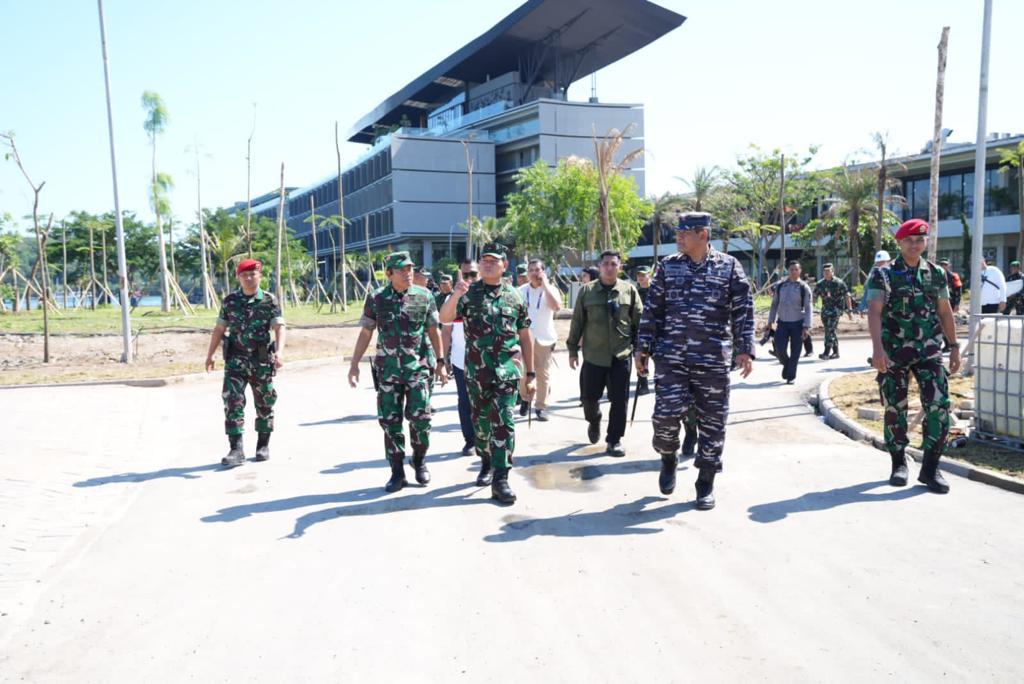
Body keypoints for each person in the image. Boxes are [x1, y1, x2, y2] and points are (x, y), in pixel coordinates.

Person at [636, 212, 754, 510]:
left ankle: (705, 482)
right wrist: (643, 348)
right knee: (664, 417)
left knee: (712, 423)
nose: (678, 237)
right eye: (678, 232)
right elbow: (653, 309)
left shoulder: (729, 267)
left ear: (703, 234)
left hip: (713, 359)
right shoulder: (668, 267)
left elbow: (743, 310)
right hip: (671, 357)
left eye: (684, 232)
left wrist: (745, 349)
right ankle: (668, 457)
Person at [867, 218, 960, 493]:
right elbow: (874, 311)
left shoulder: (936, 273)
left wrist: (954, 347)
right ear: (899, 242)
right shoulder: (883, 275)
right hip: (894, 351)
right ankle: (898, 463)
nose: (915, 244)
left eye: (920, 240)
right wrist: (877, 350)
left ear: (925, 242)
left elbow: (945, 312)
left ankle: (931, 468)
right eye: (909, 240)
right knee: (895, 408)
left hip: (929, 350)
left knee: (939, 405)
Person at [440, 243, 535, 505]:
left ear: (505, 266)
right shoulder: (469, 294)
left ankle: (501, 478)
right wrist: (456, 295)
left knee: (504, 422)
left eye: (494, 261)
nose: (488, 264)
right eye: (484, 261)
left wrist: (531, 373)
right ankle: (485, 460)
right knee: (481, 427)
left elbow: (525, 336)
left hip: (506, 372)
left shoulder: (515, 296)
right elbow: (444, 318)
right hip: (476, 373)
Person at [348, 251, 448, 492]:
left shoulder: (424, 296)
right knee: (390, 423)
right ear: (389, 273)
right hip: (388, 371)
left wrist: (441, 362)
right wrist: (354, 364)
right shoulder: (377, 298)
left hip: (419, 369)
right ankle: (397, 472)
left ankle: (420, 461)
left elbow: (434, 330)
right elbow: (366, 331)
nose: (408, 273)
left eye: (410, 268)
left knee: (421, 420)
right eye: (402, 269)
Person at [204, 259, 285, 467]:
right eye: (244, 275)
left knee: (265, 402)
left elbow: (279, 327)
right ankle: (236, 449)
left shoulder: (269, 300)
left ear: (260, 276)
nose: (249, 278)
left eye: (253, 274)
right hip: (235, 361)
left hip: (261, 361)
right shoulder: (230, 301)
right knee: (232, 402)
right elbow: (220, 329)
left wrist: (279, 351)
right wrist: (210, 354)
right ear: (238, 277)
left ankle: (263, 445)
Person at [567, 250, 642, 458]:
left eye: (614, 264)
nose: (610, 267)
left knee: (620, 400)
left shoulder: (629, 291)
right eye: (606, 264)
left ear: (620, 267)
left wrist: (642, 352)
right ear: (599, 266)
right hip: (594, 356)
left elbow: (640, 322)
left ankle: (614, 440)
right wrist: (572, 349)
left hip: (621, 355)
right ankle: (594, 420)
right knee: (589, 399)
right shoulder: (586, 291)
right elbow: (577, 322)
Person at [441, 260, 479, 456]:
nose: (469, 279)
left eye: (473, 274)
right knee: (465, 401)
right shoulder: (452, 299)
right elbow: (445, 331)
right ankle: (470, 440)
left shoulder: (489, 295)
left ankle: (487, 440)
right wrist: (443, 358)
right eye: (465, 275)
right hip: (460, 360)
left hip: (486, 361)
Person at [518, 258, 561, 421]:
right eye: (531, 270)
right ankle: (525, 398)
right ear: (527, 274)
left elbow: (556, 307)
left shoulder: (551, 290)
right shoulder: (521, 290)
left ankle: (541, 406)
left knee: (543, 374)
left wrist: (545, 286)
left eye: (538, 270)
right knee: (523, 373)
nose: (534, 273)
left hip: (544, 338)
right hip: (524, 338)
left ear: (543, 272)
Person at [767, 261, 814, 384]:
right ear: (788, 270)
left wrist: (806, 326)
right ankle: (787, 365)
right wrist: (770, 321)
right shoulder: (780, 286)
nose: (793, 272)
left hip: (798, 323)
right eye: (791, 269)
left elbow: (809, 308)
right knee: (779, 347)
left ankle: (790, 376)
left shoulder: (804, 287)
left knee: (796, 351)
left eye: (796, 269)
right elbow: (774, 304)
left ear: (800, 271)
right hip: (782, 322)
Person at [814, 263, 853, 359]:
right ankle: (836, 352)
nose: (826, 273)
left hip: (836, 311)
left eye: (828, 271)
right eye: (825, 271)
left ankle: (826, 352)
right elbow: (815, 295)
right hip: (825, 311)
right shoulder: (820, 284)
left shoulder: (839, 283)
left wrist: (849, 310)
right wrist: (812, 303)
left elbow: (847, 296)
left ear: (833, 271)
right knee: (830, 330)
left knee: (829, 330)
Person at [938, 259, 963, 352]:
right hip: (940, 302)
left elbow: (958, 290)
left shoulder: (953, 276)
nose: (943, 266)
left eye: (945, 264)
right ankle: (946, 343)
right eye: (942, 264)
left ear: (948, 266)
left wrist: (957, 303)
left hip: (951, 303)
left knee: (947, 322)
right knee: (940, 324)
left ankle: (950, 343)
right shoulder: (937, 275)